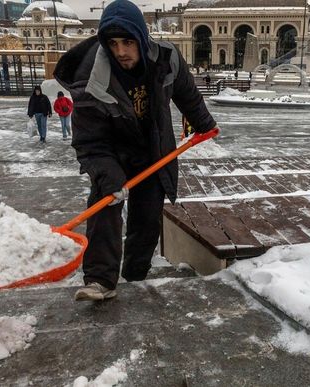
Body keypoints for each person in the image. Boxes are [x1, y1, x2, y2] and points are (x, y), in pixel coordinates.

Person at [54, 0, 218, 301]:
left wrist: (204, 124)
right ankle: (100, 280)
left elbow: (187, 94)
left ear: (142, 38)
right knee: (105, 207)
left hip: (154, 151)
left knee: (147, 220)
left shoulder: (168, 59)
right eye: (113, 43)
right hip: (111, 153)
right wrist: (108, 175)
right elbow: (90, 141)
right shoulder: (90, 78)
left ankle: (135, 274)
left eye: (128, 42)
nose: (121, 51)